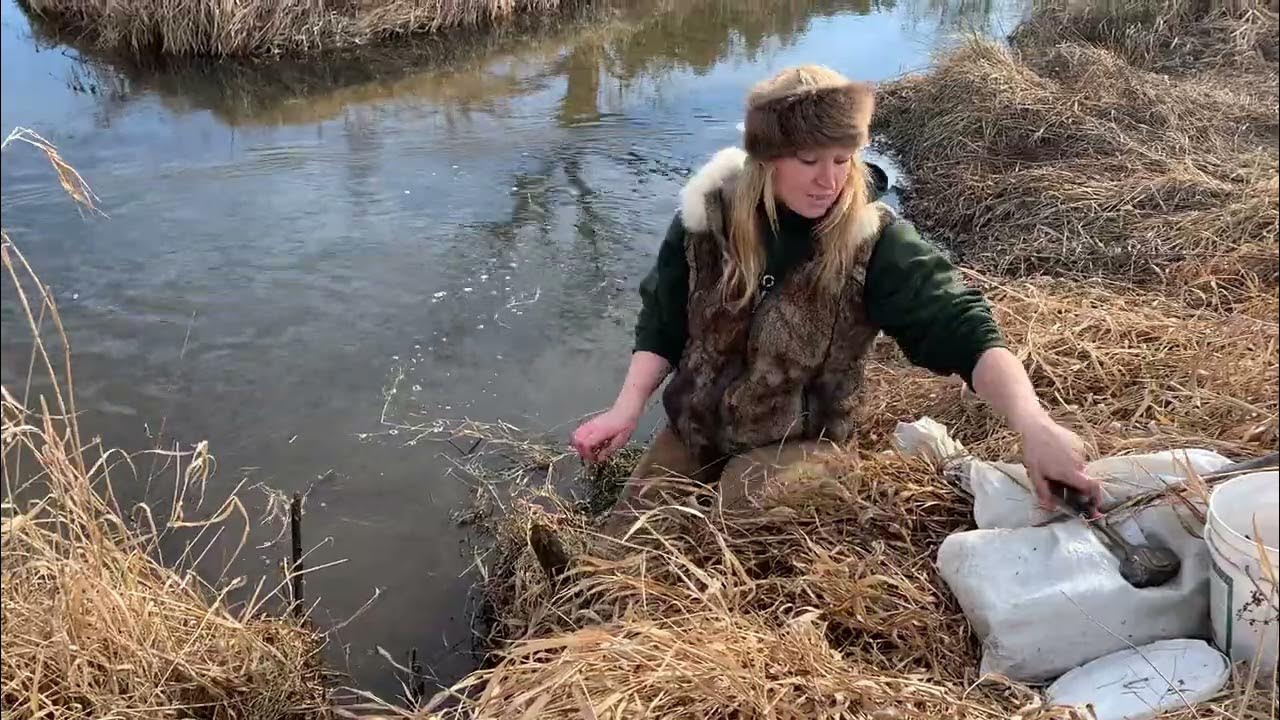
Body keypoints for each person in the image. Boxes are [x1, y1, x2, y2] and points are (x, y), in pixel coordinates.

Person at [569, 64, 1101, 534]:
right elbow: (662, 320)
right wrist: (625, 410)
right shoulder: (706, 220)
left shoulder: (876, 243)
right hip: (697, 430)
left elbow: (966, 330)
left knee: (737, 510)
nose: (829, 181)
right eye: (808, 160)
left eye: (843, 159)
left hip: (798, 444)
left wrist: (1034, 424)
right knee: (624, 544)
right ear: (766, 159)